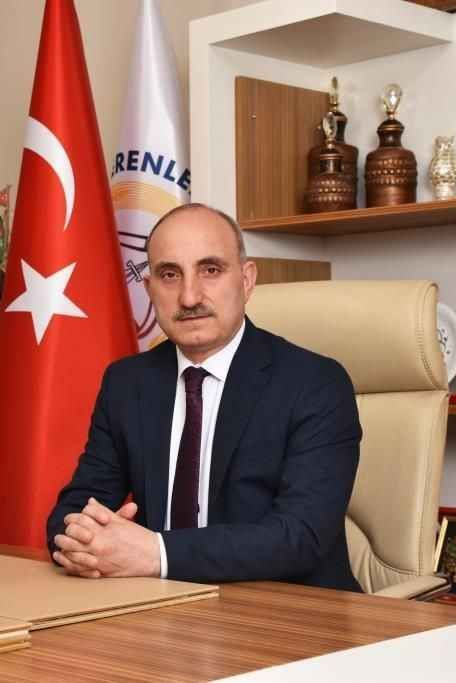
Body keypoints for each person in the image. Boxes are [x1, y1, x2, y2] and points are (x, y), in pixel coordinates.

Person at [45, 203, 363, 591]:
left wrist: (155, 553)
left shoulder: (315, 383)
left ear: (247, 280)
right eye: (169, 275)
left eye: (210, 270)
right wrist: (83, 541)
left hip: (290, 610)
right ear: (149, 289)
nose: (189, 296)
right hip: (155, 605)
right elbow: (74, 508)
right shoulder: (127, 383)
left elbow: (301, 536)